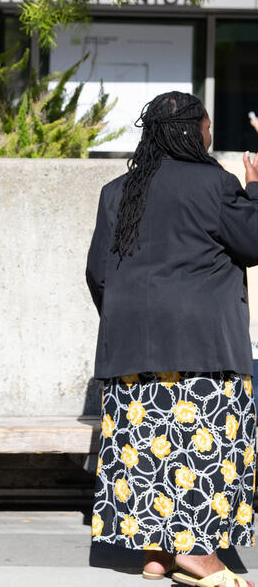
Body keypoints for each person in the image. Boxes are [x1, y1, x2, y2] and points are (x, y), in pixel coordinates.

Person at [86, 92, 258, 587]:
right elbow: (253, 244)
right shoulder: (216, 184)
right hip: (202, 346)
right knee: (202, 450)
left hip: (132, 348)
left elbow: (98, 272)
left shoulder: (117, 191)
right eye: (207, 127)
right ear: (192, 132)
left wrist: (127, 321)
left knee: (148, 448)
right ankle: (199, 554)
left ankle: (157, 555)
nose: (210, 135)